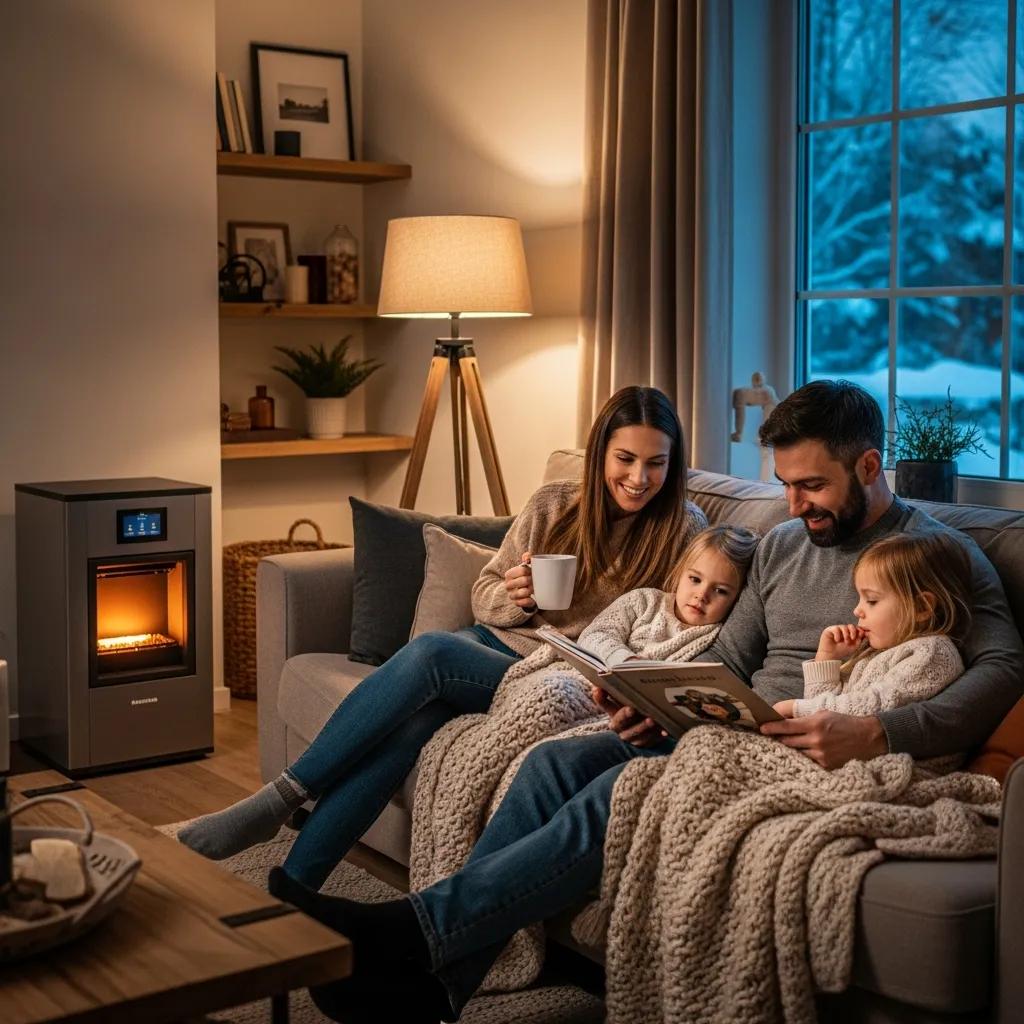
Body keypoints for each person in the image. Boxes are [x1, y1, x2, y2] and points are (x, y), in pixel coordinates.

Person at [271, 380, 1023, 1024]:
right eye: (785, 485)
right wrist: (659, 704)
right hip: (728, 727)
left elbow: (1002, 665)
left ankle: (416, 943)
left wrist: (880, 732)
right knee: (552, 768)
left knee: (619, 797)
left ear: (868, 466)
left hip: (809, 745)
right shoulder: (788, 546)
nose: (794, 505)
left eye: (812, 486)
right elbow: (732, 658)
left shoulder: (937, 553)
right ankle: (441, 984)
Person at [179, 385, 707, 889]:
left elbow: (677, 627)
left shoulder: (684, 530)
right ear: (600, 455)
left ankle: (279, 799)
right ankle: (295, 888)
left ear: (672, 463)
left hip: (549, 674)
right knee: (408, 734)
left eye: (655, 463)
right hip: (493, 643)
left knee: (431, 651)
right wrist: (517, 597)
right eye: (626, 459)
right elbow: (486, 590)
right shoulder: (554, 504)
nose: (639, 478)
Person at [773, 532, 973, 737]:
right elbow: (825, 722)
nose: (857, 611)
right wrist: (827, 658)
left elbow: (873, 707)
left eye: (871, 600)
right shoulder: (872, 654)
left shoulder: (932, 653)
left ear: (921, 607)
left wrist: (797, 708)